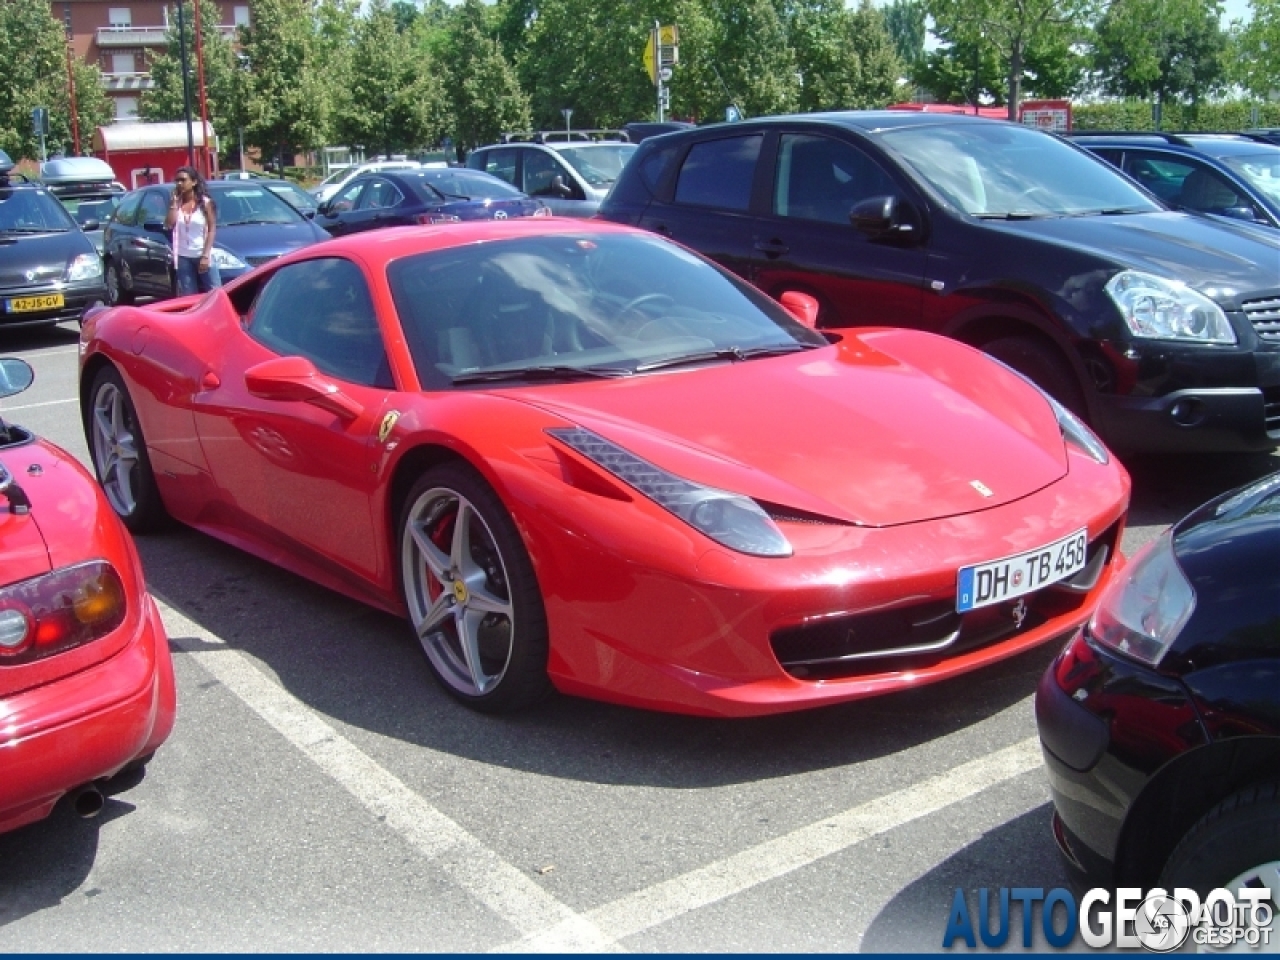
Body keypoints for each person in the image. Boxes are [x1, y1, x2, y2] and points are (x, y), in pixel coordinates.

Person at [165, 165, 220, 295]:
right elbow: (169, 224)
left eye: (183, 180)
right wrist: (173, 204)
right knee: (189, 296)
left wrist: (205, 256)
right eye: (177, 180)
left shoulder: (205, 203)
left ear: (194, 182)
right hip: (183, 257)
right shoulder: (176, 204)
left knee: (215, 293)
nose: (179, 184)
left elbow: (212, 229)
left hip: (202, 254)